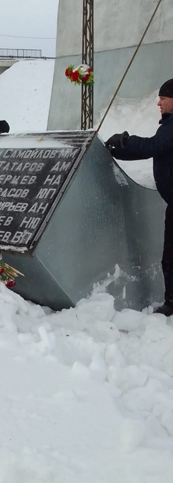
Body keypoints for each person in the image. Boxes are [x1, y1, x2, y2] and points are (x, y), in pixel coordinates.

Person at [105, 78, 173, 316]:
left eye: (163, 98)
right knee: (169, 259)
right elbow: (151, 151)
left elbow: (153, 146)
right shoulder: (168, 125)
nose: (158, 103)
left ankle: (172, 303)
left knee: (171, 258)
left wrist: (126, 140)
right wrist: (118, 152)